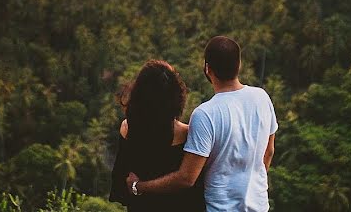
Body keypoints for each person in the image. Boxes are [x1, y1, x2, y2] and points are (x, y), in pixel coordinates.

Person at [125, 36, 278, 212]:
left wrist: (139, 186)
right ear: (239, 65)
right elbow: (269, 151)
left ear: (207, 69)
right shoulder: (262, 98)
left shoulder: (205, 114)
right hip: (258, 206)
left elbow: (186, 178)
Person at [109, 60, 204, 212]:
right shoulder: (187, 134)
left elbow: (121, 183)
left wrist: (137, 186)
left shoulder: (127, 129)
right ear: (176, 97)